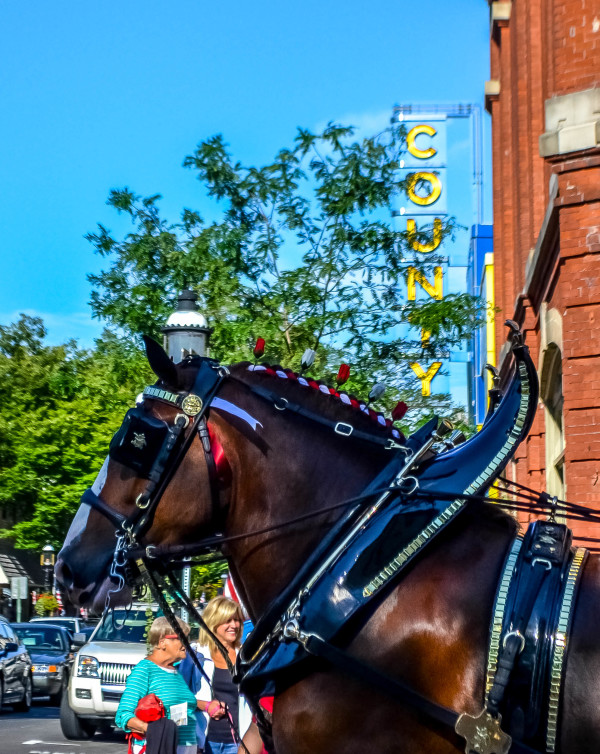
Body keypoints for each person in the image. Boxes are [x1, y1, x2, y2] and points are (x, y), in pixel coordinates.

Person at [116, 616, 199, 754]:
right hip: (158, 747)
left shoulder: (175, 672)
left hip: (185, 747)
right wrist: (156, 732)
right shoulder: (145, 670)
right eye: (182, 638)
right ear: (162, 642)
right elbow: (123, 715)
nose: (187, 643)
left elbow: (180, 712)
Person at [185, 596, 252, 754]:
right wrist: (206, 705)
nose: (234, 625)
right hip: (203, 741)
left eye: (237, 620)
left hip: (239, 743)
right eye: (227, 620)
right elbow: (178, 697)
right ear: (213, 622)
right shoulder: (196, 656)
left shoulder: (246, 657)